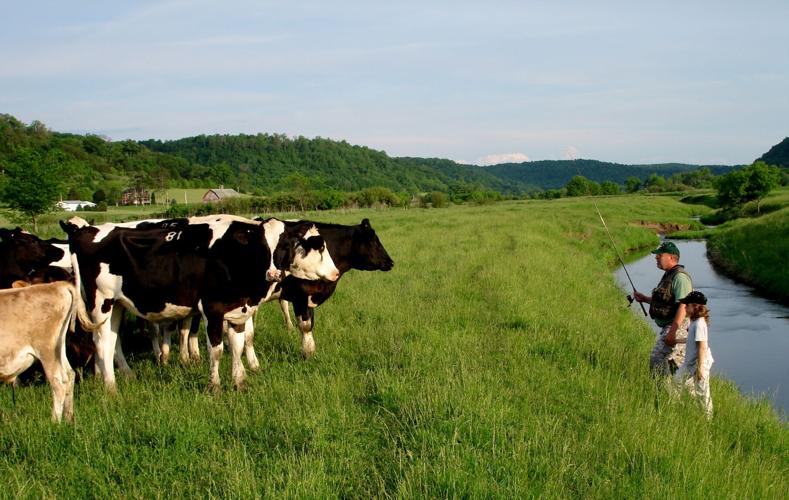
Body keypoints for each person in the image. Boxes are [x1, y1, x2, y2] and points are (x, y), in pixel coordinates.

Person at [633, 241, 692, 377]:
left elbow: (683, 306)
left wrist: (672, 332)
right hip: (670, 327)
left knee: (660, 360)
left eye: (660, 255)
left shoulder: (680, 277)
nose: (656, 258)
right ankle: (663, 393)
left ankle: (664, 394)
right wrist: (645, 299)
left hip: (678, 328)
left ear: (671, 257)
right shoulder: (669, 275)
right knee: (663, 363)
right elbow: (666, 301)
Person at [673, 291, 714, 418]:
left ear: (696, 307)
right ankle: (677, 409)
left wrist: (700, 368)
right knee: (676, 381)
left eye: (687, 305)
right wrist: (676, 340)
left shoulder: (700, 324)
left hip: (699, 363)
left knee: (702, 391)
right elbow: (691, 340)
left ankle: (707, 419)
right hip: (690, 363)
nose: (684, 307)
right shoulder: (694, 322)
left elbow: (702, 347)